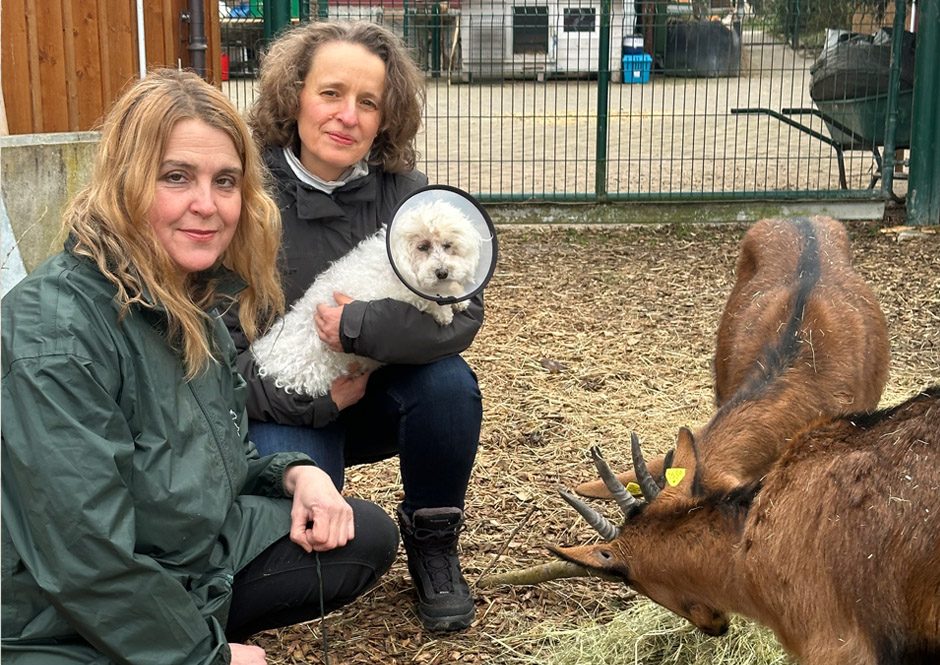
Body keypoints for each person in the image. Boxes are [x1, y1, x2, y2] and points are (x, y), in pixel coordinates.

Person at [1, 68, 400, 665]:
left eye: (225, 181)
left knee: (363, 535)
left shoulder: (190, 300)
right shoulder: (55, 332)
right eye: (176, 177)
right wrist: (207, 658)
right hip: (52, 615)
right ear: (124, 183)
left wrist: (294, 476)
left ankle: (172, 627)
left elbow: (220, 452)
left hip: (180, 547)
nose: (206, 206)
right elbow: (83, 554)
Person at [225, 20, 484, 632]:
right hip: (280, 403)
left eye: (368, 101)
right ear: (294, 96)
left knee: (450, 386)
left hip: (375, 393)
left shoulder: (405, 194)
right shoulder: (243, 193)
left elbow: (461, 316)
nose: (348, 115)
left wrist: (358, 328)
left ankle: (433, 536)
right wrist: (309, 401)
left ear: (386, 115)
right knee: (311, 545)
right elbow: (219, 355)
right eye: (331, 93)